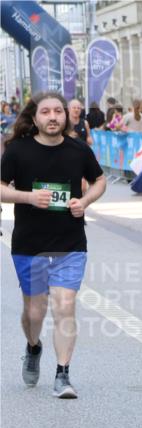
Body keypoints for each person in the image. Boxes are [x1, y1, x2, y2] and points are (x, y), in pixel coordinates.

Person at [0, 92, 107, 398]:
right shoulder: (18, 151)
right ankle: (34, 346)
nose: (53, 117)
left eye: (58, 111)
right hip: (29, 244)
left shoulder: (78, 150)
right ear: (34, 117)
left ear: (67, 116)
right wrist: (28, 197)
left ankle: (63, 374)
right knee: (35, 312)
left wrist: (85, 201)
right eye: (45, 112)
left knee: (65, 306)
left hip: (70, 243)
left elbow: (99, 180)